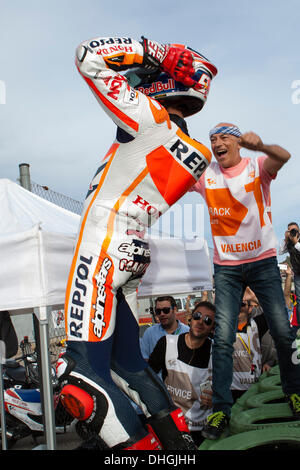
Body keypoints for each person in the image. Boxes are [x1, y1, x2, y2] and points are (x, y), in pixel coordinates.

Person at [58, 35, 217, 450]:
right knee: (127, 362)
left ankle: (135, 452)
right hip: (132, 250)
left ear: (153, 85)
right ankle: (178, 447)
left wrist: (152, 50)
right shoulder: (193, 151)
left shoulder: (148, 119)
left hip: (103, 244)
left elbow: (87, 56)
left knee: (79, 375)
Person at [189, 122, 300, 440]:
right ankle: (221, 410)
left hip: (263, 264)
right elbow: (174, 176)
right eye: (213, 140)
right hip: (227, 268)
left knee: (282, 332)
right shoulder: (207, 174)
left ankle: (295, 392)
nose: (217, 144)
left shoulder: (256, 166)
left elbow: (285, 155)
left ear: (238, 143)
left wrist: (262, 146)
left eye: (224, 138)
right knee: (222, 339)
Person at [148, 301, 215, 446]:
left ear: (212, 328)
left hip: (200, 430)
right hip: (173, 427)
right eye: (197, 316)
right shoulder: (166, 343)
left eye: (207, 320)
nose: (201, 322)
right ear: (190, 319)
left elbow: (225, 389)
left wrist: (215, 397)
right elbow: (148, 379)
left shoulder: (216, 352)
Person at [231, 298, 275, 402]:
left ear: (250, 308)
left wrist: (253, 298)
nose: (238, 307)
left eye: (242, 304)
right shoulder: (223, 328)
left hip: (254, 387)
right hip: (231, 389)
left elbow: (272, 309)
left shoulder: (257, 324)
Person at [140, 295, 189, 361]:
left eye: (166, 310)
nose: (162, 314)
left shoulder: (187, 332)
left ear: (174, 310)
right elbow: (144, 359)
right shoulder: (149, 333)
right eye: (158, 311)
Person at [279, 222, 300, 327]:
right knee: (299, 299)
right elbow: (280, 251)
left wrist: (296, 242)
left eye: (294, 230)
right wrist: (286, 239)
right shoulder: (290, 242)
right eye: (290, 230)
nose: (292, 232)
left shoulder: (297, 242)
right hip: (297, 274)